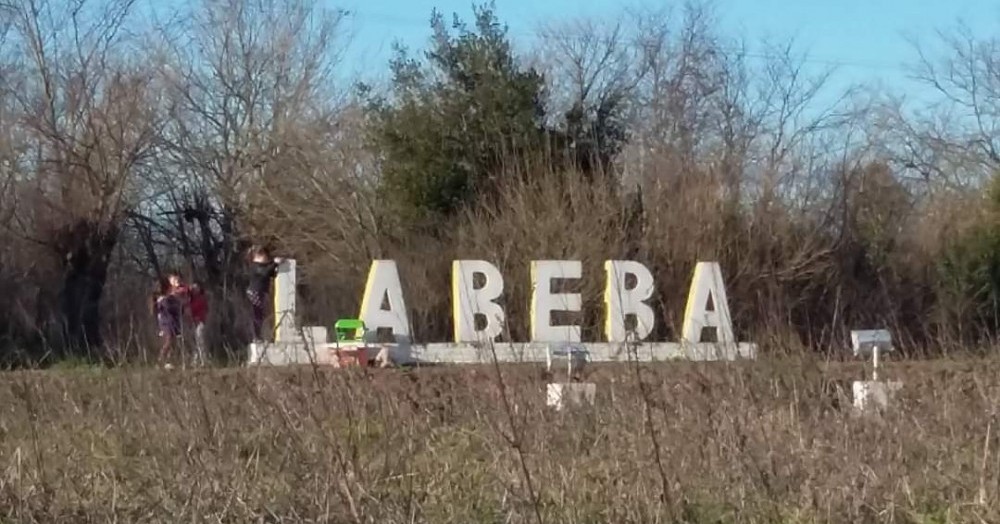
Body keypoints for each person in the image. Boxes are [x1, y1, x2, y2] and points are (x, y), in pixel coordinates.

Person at [246, 246, 283, 341]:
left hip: (260, 292)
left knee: (260, 315)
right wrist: (274, 263)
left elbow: (270, 273)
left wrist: (276, 266)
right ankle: (256, 336)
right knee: (257, 315)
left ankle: (260, 335)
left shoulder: (262, 266)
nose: (265, 258)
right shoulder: (254, 266)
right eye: (262, 256)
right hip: (255, 292)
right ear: (255, 257)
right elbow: (264, 273)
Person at [152, 276, 182, 369]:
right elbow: (170, 309)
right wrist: (175, 300)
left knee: (173, 342)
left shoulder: (166, 298)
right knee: (168, 341)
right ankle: (160, 361)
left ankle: (169, 362)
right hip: (166, 324)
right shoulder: (164, 299)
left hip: (170, 323)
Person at [188, 282, 209, 366]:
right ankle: (195, 360)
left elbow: (205, 310)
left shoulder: (202, 299)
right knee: (194, 342)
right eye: (193, 288)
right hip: (192, 323)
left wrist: (200, 318)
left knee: (200, 340)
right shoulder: (190, 300)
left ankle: (204, 360)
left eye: (196, 288)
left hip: (200, 322)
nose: (195, 290)